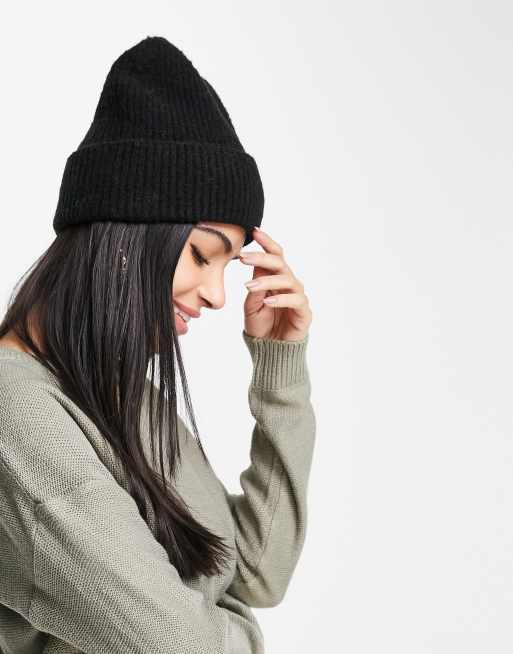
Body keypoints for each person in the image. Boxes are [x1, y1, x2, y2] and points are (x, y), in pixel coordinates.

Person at [0, 36, 315, 653]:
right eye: (200, 254)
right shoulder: (17, 410)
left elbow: (256, 572)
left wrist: (280, 369)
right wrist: (243, 634)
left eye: (227, 266)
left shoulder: (117, 391)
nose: (218, 295)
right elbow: (178, 645)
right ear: (125, 233)